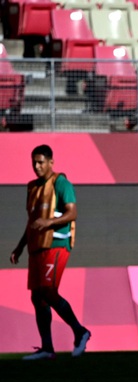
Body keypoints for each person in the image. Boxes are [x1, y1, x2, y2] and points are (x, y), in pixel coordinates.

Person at [10, 144, 91, 360]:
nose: (36, 166)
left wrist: (49, 222)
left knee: (47, 290)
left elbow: (72, 213)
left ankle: (80, 331)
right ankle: (47, 348)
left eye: (41, 162)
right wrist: (19, 248)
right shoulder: (32, 187)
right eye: (34, 162)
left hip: (56, 244)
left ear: (51, 162)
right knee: (37, 297)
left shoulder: (61, 183)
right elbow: (31, 222)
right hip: (36, 247)